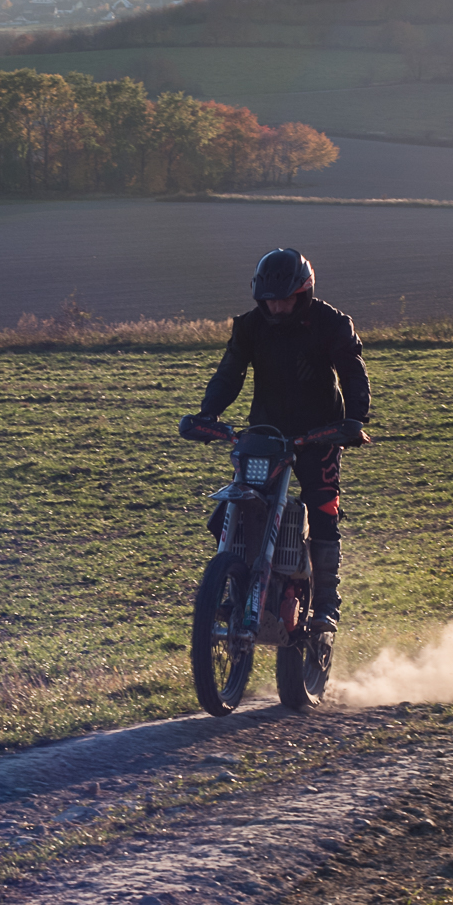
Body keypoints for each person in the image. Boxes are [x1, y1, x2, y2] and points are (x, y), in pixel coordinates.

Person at [182, 249, 371, 632]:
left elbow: (352, 372)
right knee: (234, 506)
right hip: (265, 433)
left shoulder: (331, 323)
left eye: (286, 299)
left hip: (319, 433)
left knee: (323, 506)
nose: (278, 307)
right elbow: (229, 372)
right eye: (270, 300)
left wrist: (354, 420)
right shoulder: (250, 326)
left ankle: (325, 604)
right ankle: (236, 581)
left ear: (304, 293)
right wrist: (208, 413)